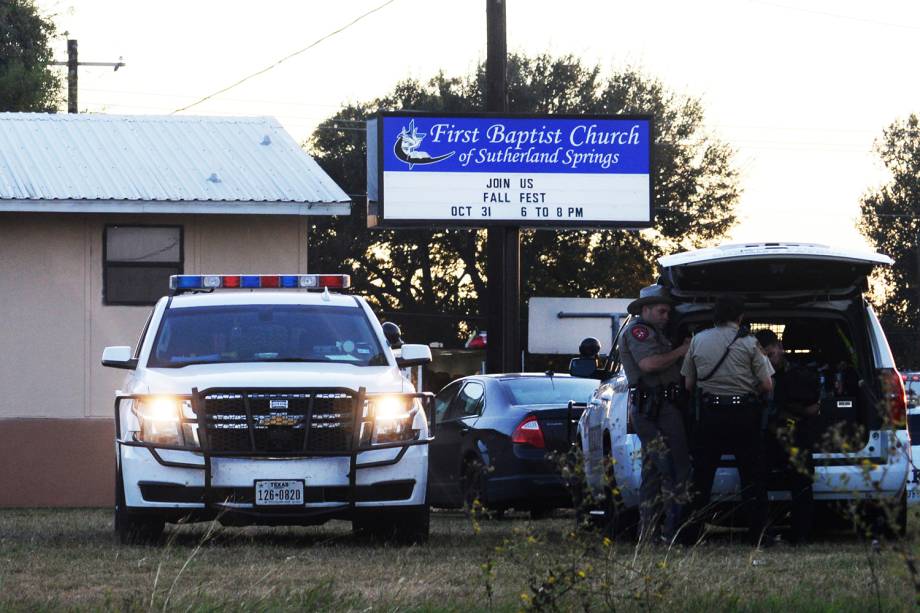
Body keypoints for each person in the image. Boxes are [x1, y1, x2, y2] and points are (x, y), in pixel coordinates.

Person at [681, 295, 774, 546]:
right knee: (752, 476)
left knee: (701, 477)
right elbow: (767, 384)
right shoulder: (749, 343)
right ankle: (757, 536)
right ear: (740, 317)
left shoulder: (698, 340)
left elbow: (688, 384)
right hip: (744, 416)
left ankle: (690, 534)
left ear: (716, 316)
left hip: (710, 416)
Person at [620, 285, 691, 544]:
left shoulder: (654, 332)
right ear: (645, 309)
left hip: (660, 408)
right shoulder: (639, 332)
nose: (666, 316)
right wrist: (681, 351)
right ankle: (673, 534)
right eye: (661, 311)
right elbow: (649, 364)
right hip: (655, 410)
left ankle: (648, 534)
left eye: (668, 312)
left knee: (653, 473)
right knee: (674, 468)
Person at [755, 329, 819, 544]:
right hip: (764, 437)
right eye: (762, 358)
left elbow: (813, 409)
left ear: (780, 348)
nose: (768, 362)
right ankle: (763, 532)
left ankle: (800, 533)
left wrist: (789, 409)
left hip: (795, 434)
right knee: (756, 480)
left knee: (801, 482)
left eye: (771, 355)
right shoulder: (749, 375)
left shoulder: (800, 375)